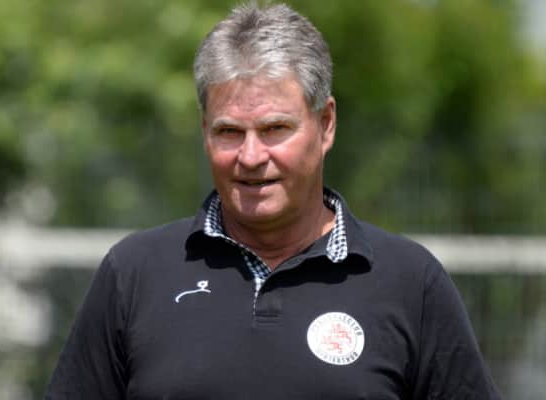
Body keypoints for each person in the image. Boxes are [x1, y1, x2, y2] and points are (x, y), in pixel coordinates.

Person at [45, 2, 501, 399]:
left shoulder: (411, 284)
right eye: (229, 131)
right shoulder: (134, 275)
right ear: (204, 132)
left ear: (326, 125)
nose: (250, 156)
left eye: (274, 129)